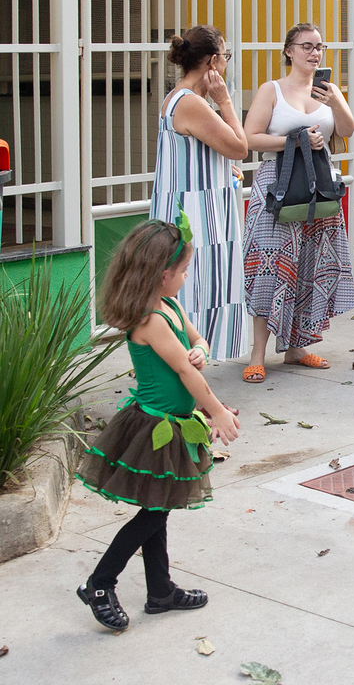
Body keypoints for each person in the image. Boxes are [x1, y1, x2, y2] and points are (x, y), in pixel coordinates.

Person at [76, 218, 241, 630]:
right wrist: (217, 410)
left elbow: (195, 344)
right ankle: (100, 582)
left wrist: (201, 349)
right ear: (162, 274)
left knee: (158, 507)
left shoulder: (170, 306)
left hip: (175, 423)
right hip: (154, 428)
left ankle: (160, 590)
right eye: (183, 272)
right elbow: (185, 375)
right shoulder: (148, 320)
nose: (186, 278)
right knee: (156, 509)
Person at [241, 23, 354, 384]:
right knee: (269, 267)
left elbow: (348, 131)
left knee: (311, 263)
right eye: (306, 46)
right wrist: (295, 139)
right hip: (277, 183)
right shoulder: (271, 90)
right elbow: (250, 137)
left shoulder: (327, 90)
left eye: (319, 46)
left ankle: (296, 348)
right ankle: (257, 355)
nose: (314, 53)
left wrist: (337, 100)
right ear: (289, 50)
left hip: (318, 184)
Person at [149, 26, 248, 361]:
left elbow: (197, 153)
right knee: (193, 286)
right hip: (196, 213)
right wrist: (225, 101)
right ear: (211, 62)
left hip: (189, 202)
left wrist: (220, 168)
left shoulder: (177, 98)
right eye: (225, 57)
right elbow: (240, 146)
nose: (226, 66)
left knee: (190, 286)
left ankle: (184, 362)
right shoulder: (192, 103)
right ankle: (186, 364)